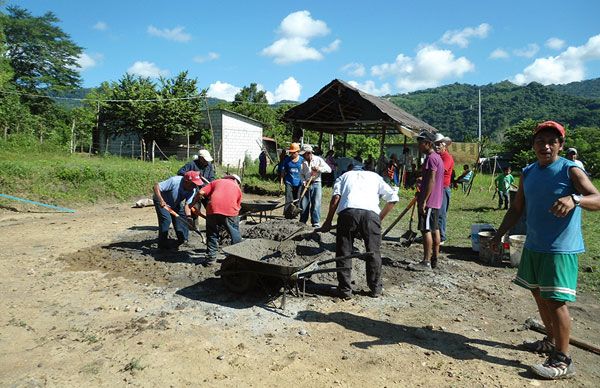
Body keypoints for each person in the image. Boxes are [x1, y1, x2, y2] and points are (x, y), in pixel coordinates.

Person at [490, 120, 600, 380]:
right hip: (535, 244)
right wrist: (499, 233)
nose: (546, 146)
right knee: (538, 293)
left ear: (560, 145)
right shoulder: (528, 172)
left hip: (560, 249)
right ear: (534, 145)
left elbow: (597, 198)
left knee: (555, 301)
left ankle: (563, 360)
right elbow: (517, 208)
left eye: (552, 141)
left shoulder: (570, 170)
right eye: (541, 141)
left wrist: (575, 199)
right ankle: (551, 340)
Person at [319, 163, 399, 299]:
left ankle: (344, 290)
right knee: (373, 252)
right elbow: (393, 198)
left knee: (344, 250)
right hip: (371, 215)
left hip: (348, 214)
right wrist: (379, 219)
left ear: (349, 170)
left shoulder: (343, 176)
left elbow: (336, 198)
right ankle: (375, 289)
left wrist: (327, 222)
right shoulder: (375, 176)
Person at [410, 130, 444, 271]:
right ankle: (434, 258)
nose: (418, 146)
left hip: (429, 201)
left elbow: (431, 180)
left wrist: (423, 200)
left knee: (426, 229)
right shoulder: (437, 158)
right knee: (435, 229)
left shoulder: (431, 158)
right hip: (436, 200)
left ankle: (426, 262)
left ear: (428, 143)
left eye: (420, 143)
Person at [193, 174, 243, 265]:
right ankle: (236, 258)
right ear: (237, 181)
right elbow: (238, 205)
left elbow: (200, 193)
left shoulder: (216, 182)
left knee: (212, 234)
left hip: (213, 209)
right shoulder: (237, 188)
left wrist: (193, 203)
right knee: (234, 233)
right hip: (230, 211)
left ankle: (210, 259)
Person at [153, 171, 202, 250]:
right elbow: (156, 186)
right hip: (162, 202)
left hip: (176, 202)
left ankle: (183, 240)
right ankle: (162, 245)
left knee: (183, 218)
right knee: (166, 220)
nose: (195, 186)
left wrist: (189, 218)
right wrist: (161, 200)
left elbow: (187, 205)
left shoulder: (192, 190)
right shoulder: (174, 181)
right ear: (186, 181)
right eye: (193, 184)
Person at [299, 144, 331, 227]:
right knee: (304, 203)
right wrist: (303, 182)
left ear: (309, 153)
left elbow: (329, 169)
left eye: (304, 154)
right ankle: (303, 221)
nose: (303, 156)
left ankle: (315, 222)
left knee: (316, 204)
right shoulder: (302, 161)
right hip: (306, 183)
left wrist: (319, 169)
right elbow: (301, 174)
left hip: (316, 183)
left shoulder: (318, 160)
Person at [434, 133, 454, 245]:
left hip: (443, 188)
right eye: (435, 144)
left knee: (441, 213)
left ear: (444, 145)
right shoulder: (436, 156)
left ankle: (441, 236)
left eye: (438, 144)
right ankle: (434, 233)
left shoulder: (447, 157)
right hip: (435, 187)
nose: (437, 147)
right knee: (434, 212)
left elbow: (441, 170)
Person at [279, 143, 304, 218]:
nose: (292, 154)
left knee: (298, 198)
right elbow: (283, 171)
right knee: (289, 199)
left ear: (298, 152)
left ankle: (295, 213)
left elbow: (306, 171)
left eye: (294, 152)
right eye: (291, 152)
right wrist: (281, 181)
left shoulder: (302, 160)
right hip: (289, 182)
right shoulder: (287, 160)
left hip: (299, 182)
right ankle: (287, 214)